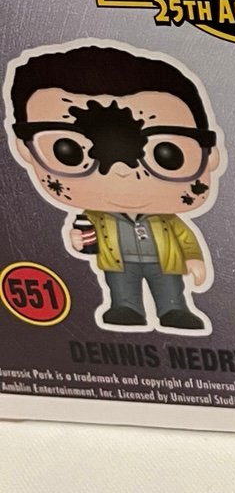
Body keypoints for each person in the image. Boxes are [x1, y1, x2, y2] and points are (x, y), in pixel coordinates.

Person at [4, 43, 223, 333]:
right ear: (25, 150)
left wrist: (194, 259)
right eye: (68, 151)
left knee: (169, 289)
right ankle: (126, 307)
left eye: (168, 154)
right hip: (118, 262)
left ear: (211, 155)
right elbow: (86, 238)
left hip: (165, 262)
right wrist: (78, 239)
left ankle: (174, 309)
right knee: (121, 288)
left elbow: (185, 237)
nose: (121, 171)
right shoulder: (94, 216)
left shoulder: (168, 220)